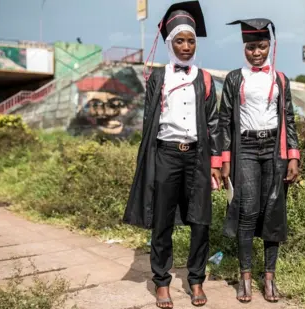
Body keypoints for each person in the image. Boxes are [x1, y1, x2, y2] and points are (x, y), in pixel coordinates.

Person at [123, 1, 222, 308]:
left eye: (191, 40)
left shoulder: (205, 79)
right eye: (180, 40)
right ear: (170, 43)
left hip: (197, 157)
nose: (186, 46)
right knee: (162, 221)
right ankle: (162, 282)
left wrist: (216, 164)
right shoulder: (157, 77)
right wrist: (150, 161)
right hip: (166, 155)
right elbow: (148, 120)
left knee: (200, 221)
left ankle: (196, 280)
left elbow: (214, 122)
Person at [219, 18, 301, 303]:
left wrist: (293, 155)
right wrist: (225, 159)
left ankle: (269, 278)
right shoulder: (234, 78)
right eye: (251, 47)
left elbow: (288, 117)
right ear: (244, 48)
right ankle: (245, 277)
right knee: (249, 209)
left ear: (270, 46)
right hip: (247, 149)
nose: (257, 52)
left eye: (262, 46)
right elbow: (224, 121)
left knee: (273, 211)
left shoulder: (280, 79)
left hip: (274, 149)